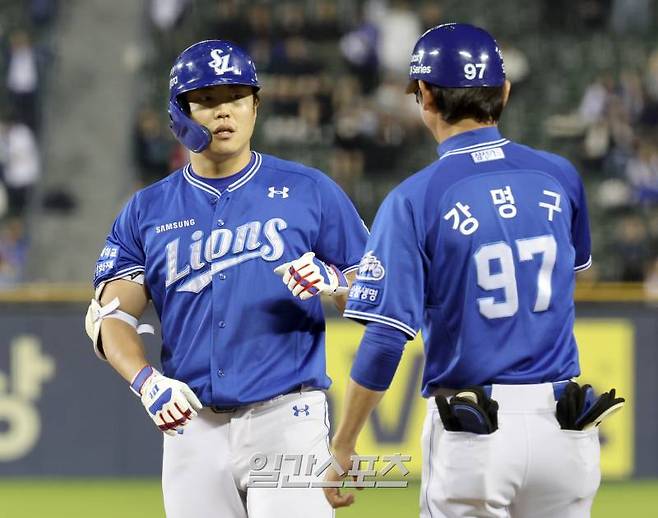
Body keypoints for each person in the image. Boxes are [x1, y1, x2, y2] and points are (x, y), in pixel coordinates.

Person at [324, 23, 623, 517]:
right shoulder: (560, 176)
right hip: (565, 429)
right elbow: (568, 275)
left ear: (425, 97)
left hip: (475, 431)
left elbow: (383, 341)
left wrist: (344, 445)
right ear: (503, 92)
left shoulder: (414, 198)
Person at [85, 40, 368, 518]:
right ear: (180, 113)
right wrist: (146, 381)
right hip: (190, 424)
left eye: (237, 97)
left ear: (255, 107)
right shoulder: (147, 210)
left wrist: (336, 280)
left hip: (287, 418)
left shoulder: (311, 190)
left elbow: (377, 299)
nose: (225, 112)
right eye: (208, 100)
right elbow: (109, 316)